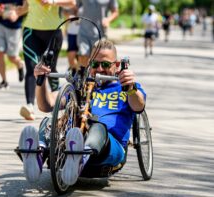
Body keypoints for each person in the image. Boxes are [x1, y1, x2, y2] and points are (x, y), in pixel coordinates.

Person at [18, 39, 146, 185]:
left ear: (117, 65)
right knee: (48, 122)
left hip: (107, 150)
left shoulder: (125, 87)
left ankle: (80, 157)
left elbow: (138, 106)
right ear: (89, 64)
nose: (99, 69)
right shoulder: (79, 85)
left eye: (105, 64)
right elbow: (47, 105)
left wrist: (130, 88)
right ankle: (38, 154)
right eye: (94, 64)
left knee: (98, 128)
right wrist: (40, 81)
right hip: (69, 143)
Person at [18, 0, 76, 121]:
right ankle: (30, 106)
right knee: (32, 67)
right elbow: (26, 6)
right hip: (31, 30)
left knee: (50, 68)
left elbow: (72, 3)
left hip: (54, 30)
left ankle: (56, 100)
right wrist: (16, 12)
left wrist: (53, 1)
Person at [0, 0, 26, 90]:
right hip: (0, 25)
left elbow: (28, 7)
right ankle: (4, 81)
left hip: (15, 28)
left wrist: (17, 14)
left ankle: (20, 64)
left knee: (12, 57)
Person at [76, 0, 119, 67]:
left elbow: (115, 12)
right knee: (83, 55)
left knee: (98, 58)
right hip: (84, 31)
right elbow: (75, 6)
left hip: (100, 33)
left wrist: (108, 20)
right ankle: (85, 75)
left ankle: (94, 74)